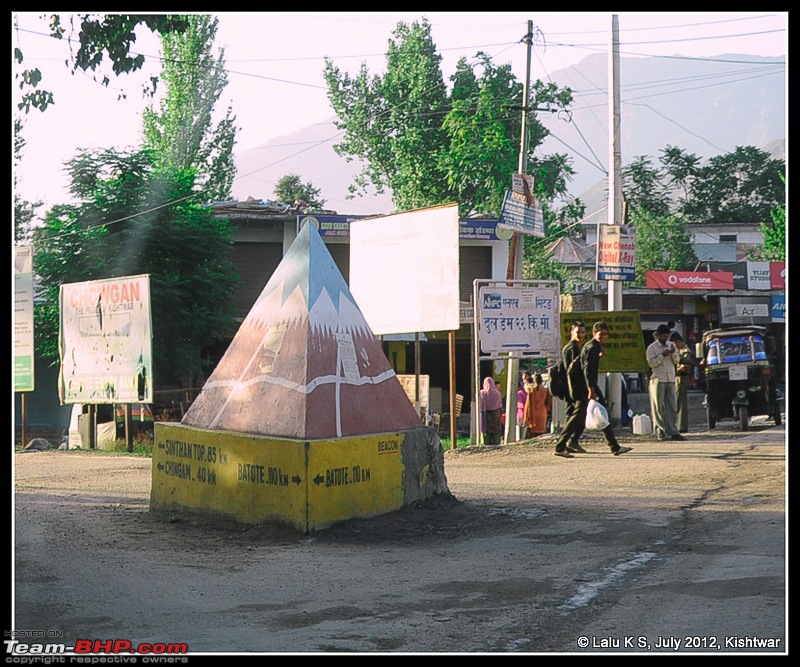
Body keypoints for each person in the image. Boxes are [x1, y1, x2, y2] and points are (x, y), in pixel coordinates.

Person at [554, 321, 632, 458]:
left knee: (599, 412)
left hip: (586, 386)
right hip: (583, 388)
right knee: (577, 417)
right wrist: (591, 389)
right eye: (601, 334)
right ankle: (561, 446)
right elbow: (587, 371)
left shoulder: (592, 347)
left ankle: (614, 447)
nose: (604, 337)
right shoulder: (590, 348)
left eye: (606, 334)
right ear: (594, 334)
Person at [646, 324, 686, 441]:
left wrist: (673, 352)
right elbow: (652, 363)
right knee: (658, 406)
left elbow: (677, 360)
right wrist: (662, 355)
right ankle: (660, 430)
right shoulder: (652, 348)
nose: (665, 339)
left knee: (672, 406)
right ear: (658, 336)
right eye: (663, 336)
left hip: (670, 379)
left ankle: (673, 431)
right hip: (658, 378)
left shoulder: (671, 345)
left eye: (667, 336)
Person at [556, 320, 588, 453]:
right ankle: (566, 442)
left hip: (571, 387)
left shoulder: (573, 347)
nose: (580, 335)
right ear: (571, 332)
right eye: (578, 332)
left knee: (572, 415)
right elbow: (574, 370)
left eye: (582, 332)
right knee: (578, 416)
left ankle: (571, 441)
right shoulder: (572, 348)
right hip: (573, 388)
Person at [670, 331, 699, 433]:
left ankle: (681, 426)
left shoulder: (685, 351)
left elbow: (685, 361)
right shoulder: (678, 351)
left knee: (680, 402)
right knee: (675, 402)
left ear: (678, 342)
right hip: (675, 377)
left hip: (681, 378)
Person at [480, 376, 503, 446]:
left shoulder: (482, 393)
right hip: (496, 414)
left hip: (486, 415)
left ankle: (486, 444)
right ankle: (496, 444)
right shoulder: (497, 393)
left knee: (487, 431)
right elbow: (500, 405)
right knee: (496, 432)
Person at [517, 372, 534, 440]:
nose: (524, 380)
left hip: (526, 410)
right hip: (523, 411)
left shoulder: (530, 389)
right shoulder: (522, 390)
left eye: (525, 378)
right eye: (523, 379)